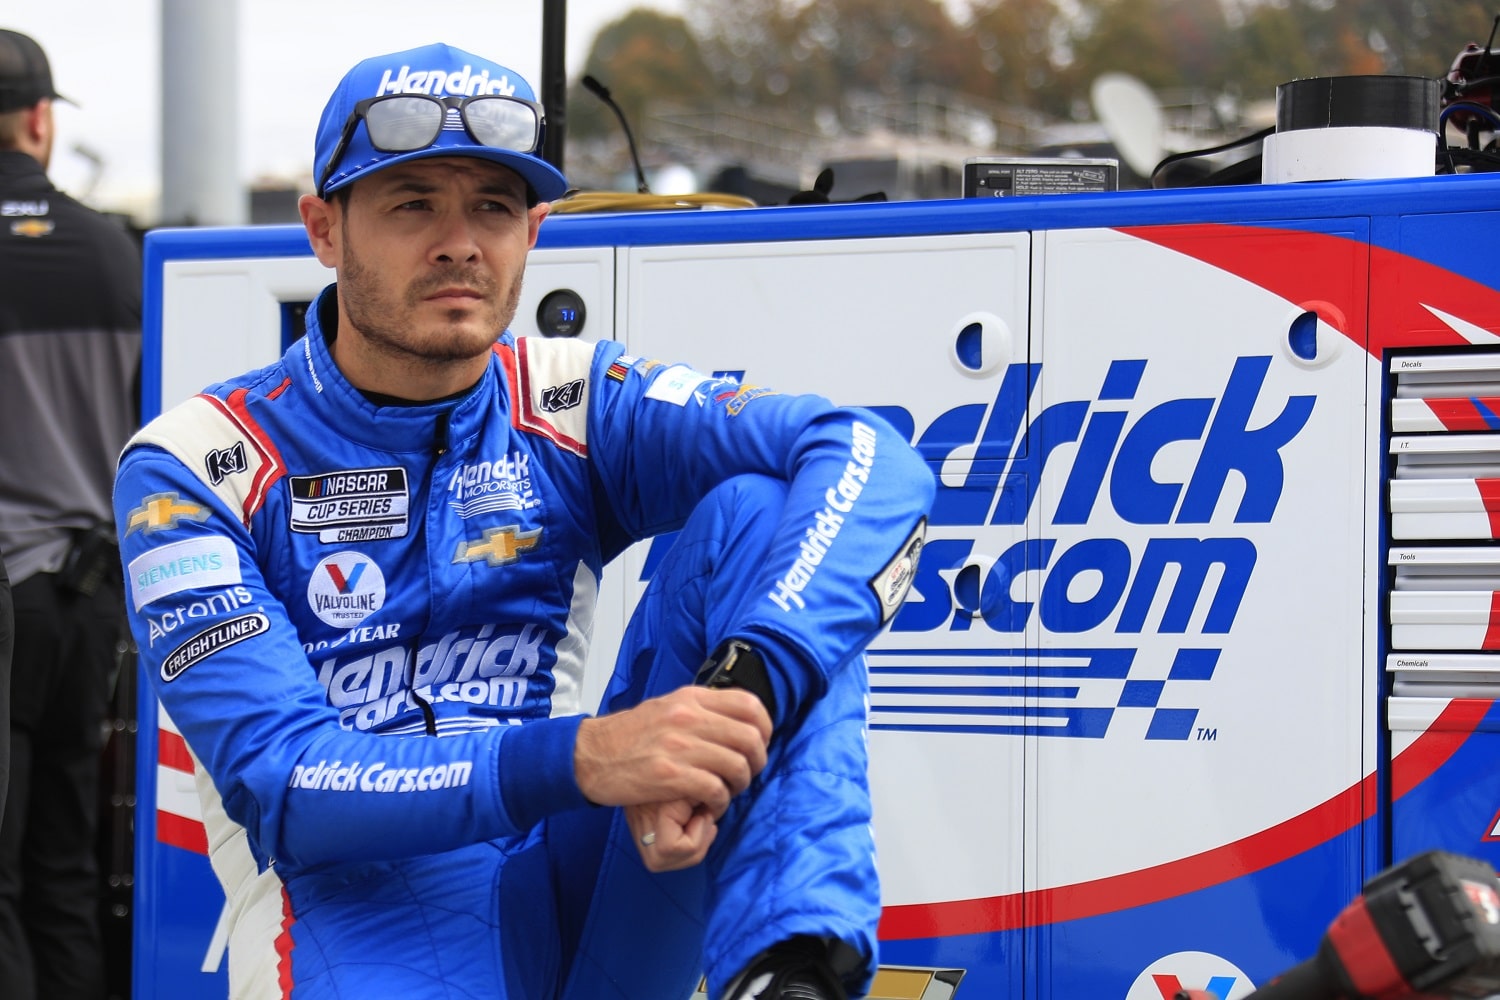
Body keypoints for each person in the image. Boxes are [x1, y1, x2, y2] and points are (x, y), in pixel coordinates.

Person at [114, 41, 934, 1000]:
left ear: (535, 231)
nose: (459, 241)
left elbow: (870, 459)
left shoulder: (575, 400)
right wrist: (590, 755)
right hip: (349, 906)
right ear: (323, 228)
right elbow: (287, 788)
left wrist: (747, 685)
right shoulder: (191, 464)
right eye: (413, 202)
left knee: (756, 513)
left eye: (493, 208)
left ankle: (793, 969)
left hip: (583, 868)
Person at [0, 27, 142, 1000]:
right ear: (41, 122)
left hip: (2, 603)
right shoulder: (115, 252)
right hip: (91, 601)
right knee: (65, 865)